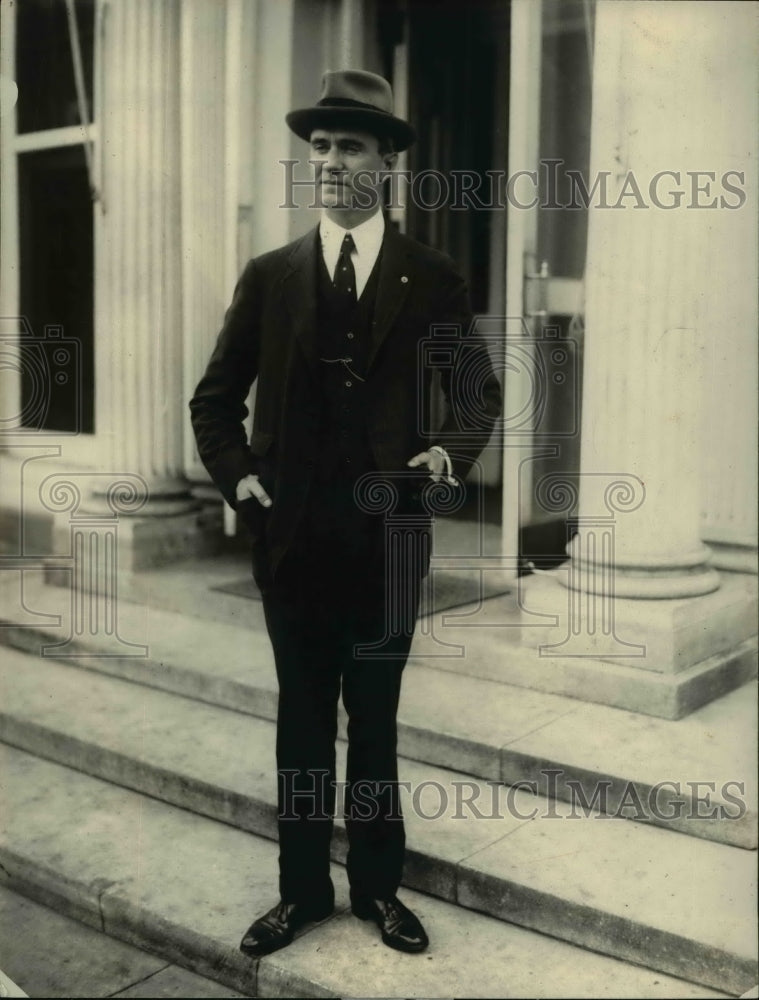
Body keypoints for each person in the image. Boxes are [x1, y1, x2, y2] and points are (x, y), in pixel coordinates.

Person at [190, 69, 501, 958]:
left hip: (386, 544)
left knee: (372, 723)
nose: (328, 161)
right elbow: (214, 401)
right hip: (292, 542)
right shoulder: (270, 276)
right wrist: (239, 479)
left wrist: (447, 455)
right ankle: (301, 894)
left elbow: (477, 394)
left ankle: (377, 889)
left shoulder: (431, 277)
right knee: (300, 726)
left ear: (386, 163)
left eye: (349, 146)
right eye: (319, 146)